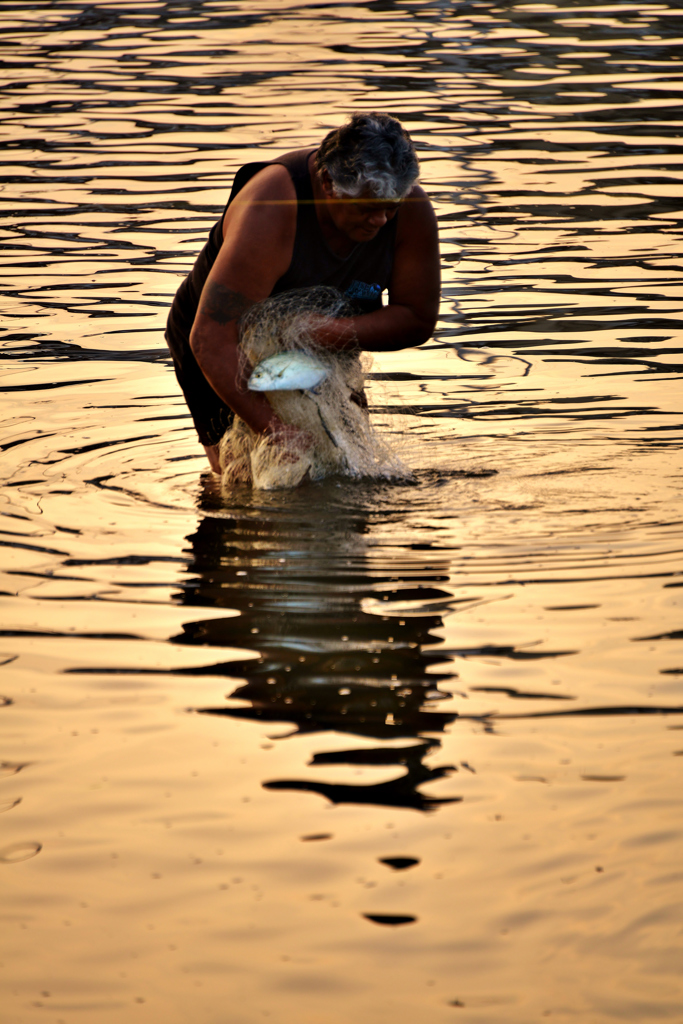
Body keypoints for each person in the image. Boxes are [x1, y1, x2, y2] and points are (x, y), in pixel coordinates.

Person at [165, 112, 441, 473]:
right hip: (221, 340)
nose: (381, 221)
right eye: (367, 208)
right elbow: (209, 337)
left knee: (346, 465)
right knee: (245, 474)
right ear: (328, 183)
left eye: (391, 208)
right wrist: (275, 430)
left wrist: (321, 333)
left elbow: (417, 318)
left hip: (327, 335)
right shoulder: (272, 208)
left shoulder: (409, 210)